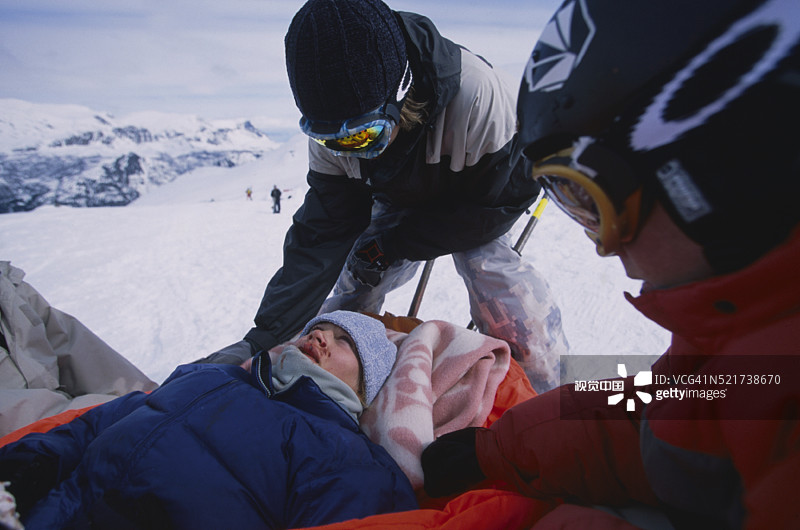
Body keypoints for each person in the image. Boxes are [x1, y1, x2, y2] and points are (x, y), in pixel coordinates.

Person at [421, 0, 800, 528]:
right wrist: (498, 450)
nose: (603, 246)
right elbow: (668, 414)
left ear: (713, 176)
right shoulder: (743, 330)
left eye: (586, 198)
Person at [202, 0, 569, 394]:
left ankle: (556, 396)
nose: (348, 153)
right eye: (329, 141)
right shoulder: (339, 133)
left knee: (501, 286)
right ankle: (328, 382)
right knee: (356, 276)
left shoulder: (479, 98)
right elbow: (323, 235)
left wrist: (395, 242)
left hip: (476, 200)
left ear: (401, 95)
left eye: (361, 137)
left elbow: (497, 208)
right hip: (396, 195)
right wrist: (264, 339)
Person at [0, 311, 417, 529]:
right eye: (320, 328)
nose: (321, 336)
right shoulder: (211, 375)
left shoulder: (350, 458)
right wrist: (19, 470)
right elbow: (92, 426)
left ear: (365, 387)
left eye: (344, 341)